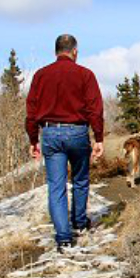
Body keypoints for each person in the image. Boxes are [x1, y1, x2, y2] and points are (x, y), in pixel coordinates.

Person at [25, 34, 105, 252]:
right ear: (75, 51)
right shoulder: (85, 75)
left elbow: (31, 111)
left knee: (56, 186)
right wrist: (98, 137)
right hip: (78, 132)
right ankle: (79, 223)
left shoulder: (41, 76)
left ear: (56, 51)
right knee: (80, 179)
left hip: (50, 133)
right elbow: (95, 109)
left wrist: (33, 139)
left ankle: (63, 237)